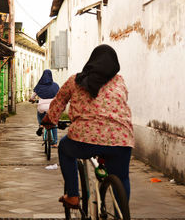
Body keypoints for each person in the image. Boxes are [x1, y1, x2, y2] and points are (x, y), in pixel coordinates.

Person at [41, 44, 134, 207]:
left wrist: (50, 121)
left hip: (84, 139)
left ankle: (73, 195)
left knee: (64, 148)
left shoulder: (75, 80)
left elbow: (58, 103)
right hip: (122, 139)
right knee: (122, 177)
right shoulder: (119, 81)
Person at [29, 69, 60, 147]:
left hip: (42, 107)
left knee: (40, 115)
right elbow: (59, 95)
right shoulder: (55, 86)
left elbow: (32, 97)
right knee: (53, 124)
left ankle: (41, 125)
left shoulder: (39, 86)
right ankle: (55, 143)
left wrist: (31, 100)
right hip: (52, 107)